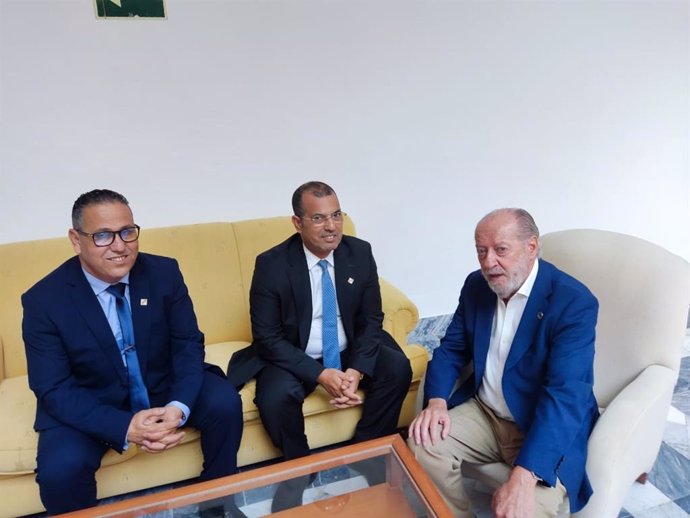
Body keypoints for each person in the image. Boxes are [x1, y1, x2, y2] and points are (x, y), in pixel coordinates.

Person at [22, 189, 244, 516]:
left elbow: (187, 344)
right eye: (102, 235)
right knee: (60, 471)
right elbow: (52, 387)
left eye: (127, 231)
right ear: (75, 239)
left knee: (224, 403)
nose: (119, 245)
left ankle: (216, 506)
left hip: (161, 383)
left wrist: (177, 407)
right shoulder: (44, 300)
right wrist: (127, 427)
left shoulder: (164, 273)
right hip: (93, 399)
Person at [227, 181, 412, 510]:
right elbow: (268, 337)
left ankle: (366, 448)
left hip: (347, 347)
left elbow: (372, 319)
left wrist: (355, 369)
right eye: (319, 218)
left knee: (396, 367)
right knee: (275, 395)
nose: (331, 226)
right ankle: (300, 465)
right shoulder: (271, 265)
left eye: (336, 215)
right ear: (298, 223)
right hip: (295, 353)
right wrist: (320, 374)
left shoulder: (359, 253)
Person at [408, 208, 599, 518]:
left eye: (500, 249)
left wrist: (525, 476)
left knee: (528, 510)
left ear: (532, 247)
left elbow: (565, 394)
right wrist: (437, 402)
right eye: (481, 251)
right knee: (422, 444)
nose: (488, 262)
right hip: (485, 413)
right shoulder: (476, 285)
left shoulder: (573, 302)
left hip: (538, 422)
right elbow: (452, 349)